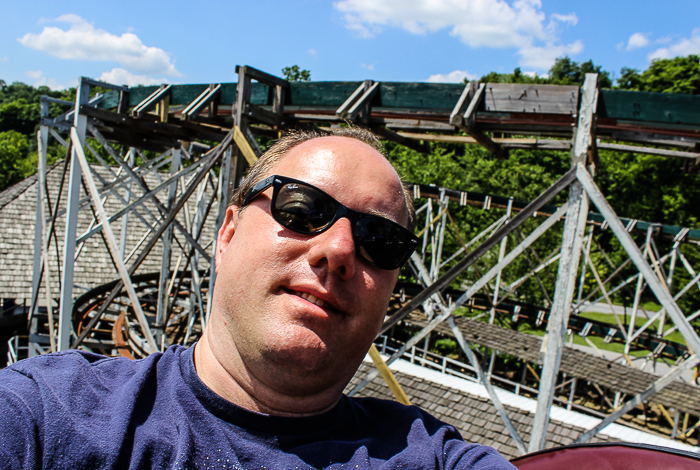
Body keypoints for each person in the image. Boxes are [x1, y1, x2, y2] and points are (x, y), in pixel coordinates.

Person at [0, 128, 516, 469]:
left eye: (380, 241)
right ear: (226, 234)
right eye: (302, 207)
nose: (339, 250)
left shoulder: (432, 459)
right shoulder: (47, 414)